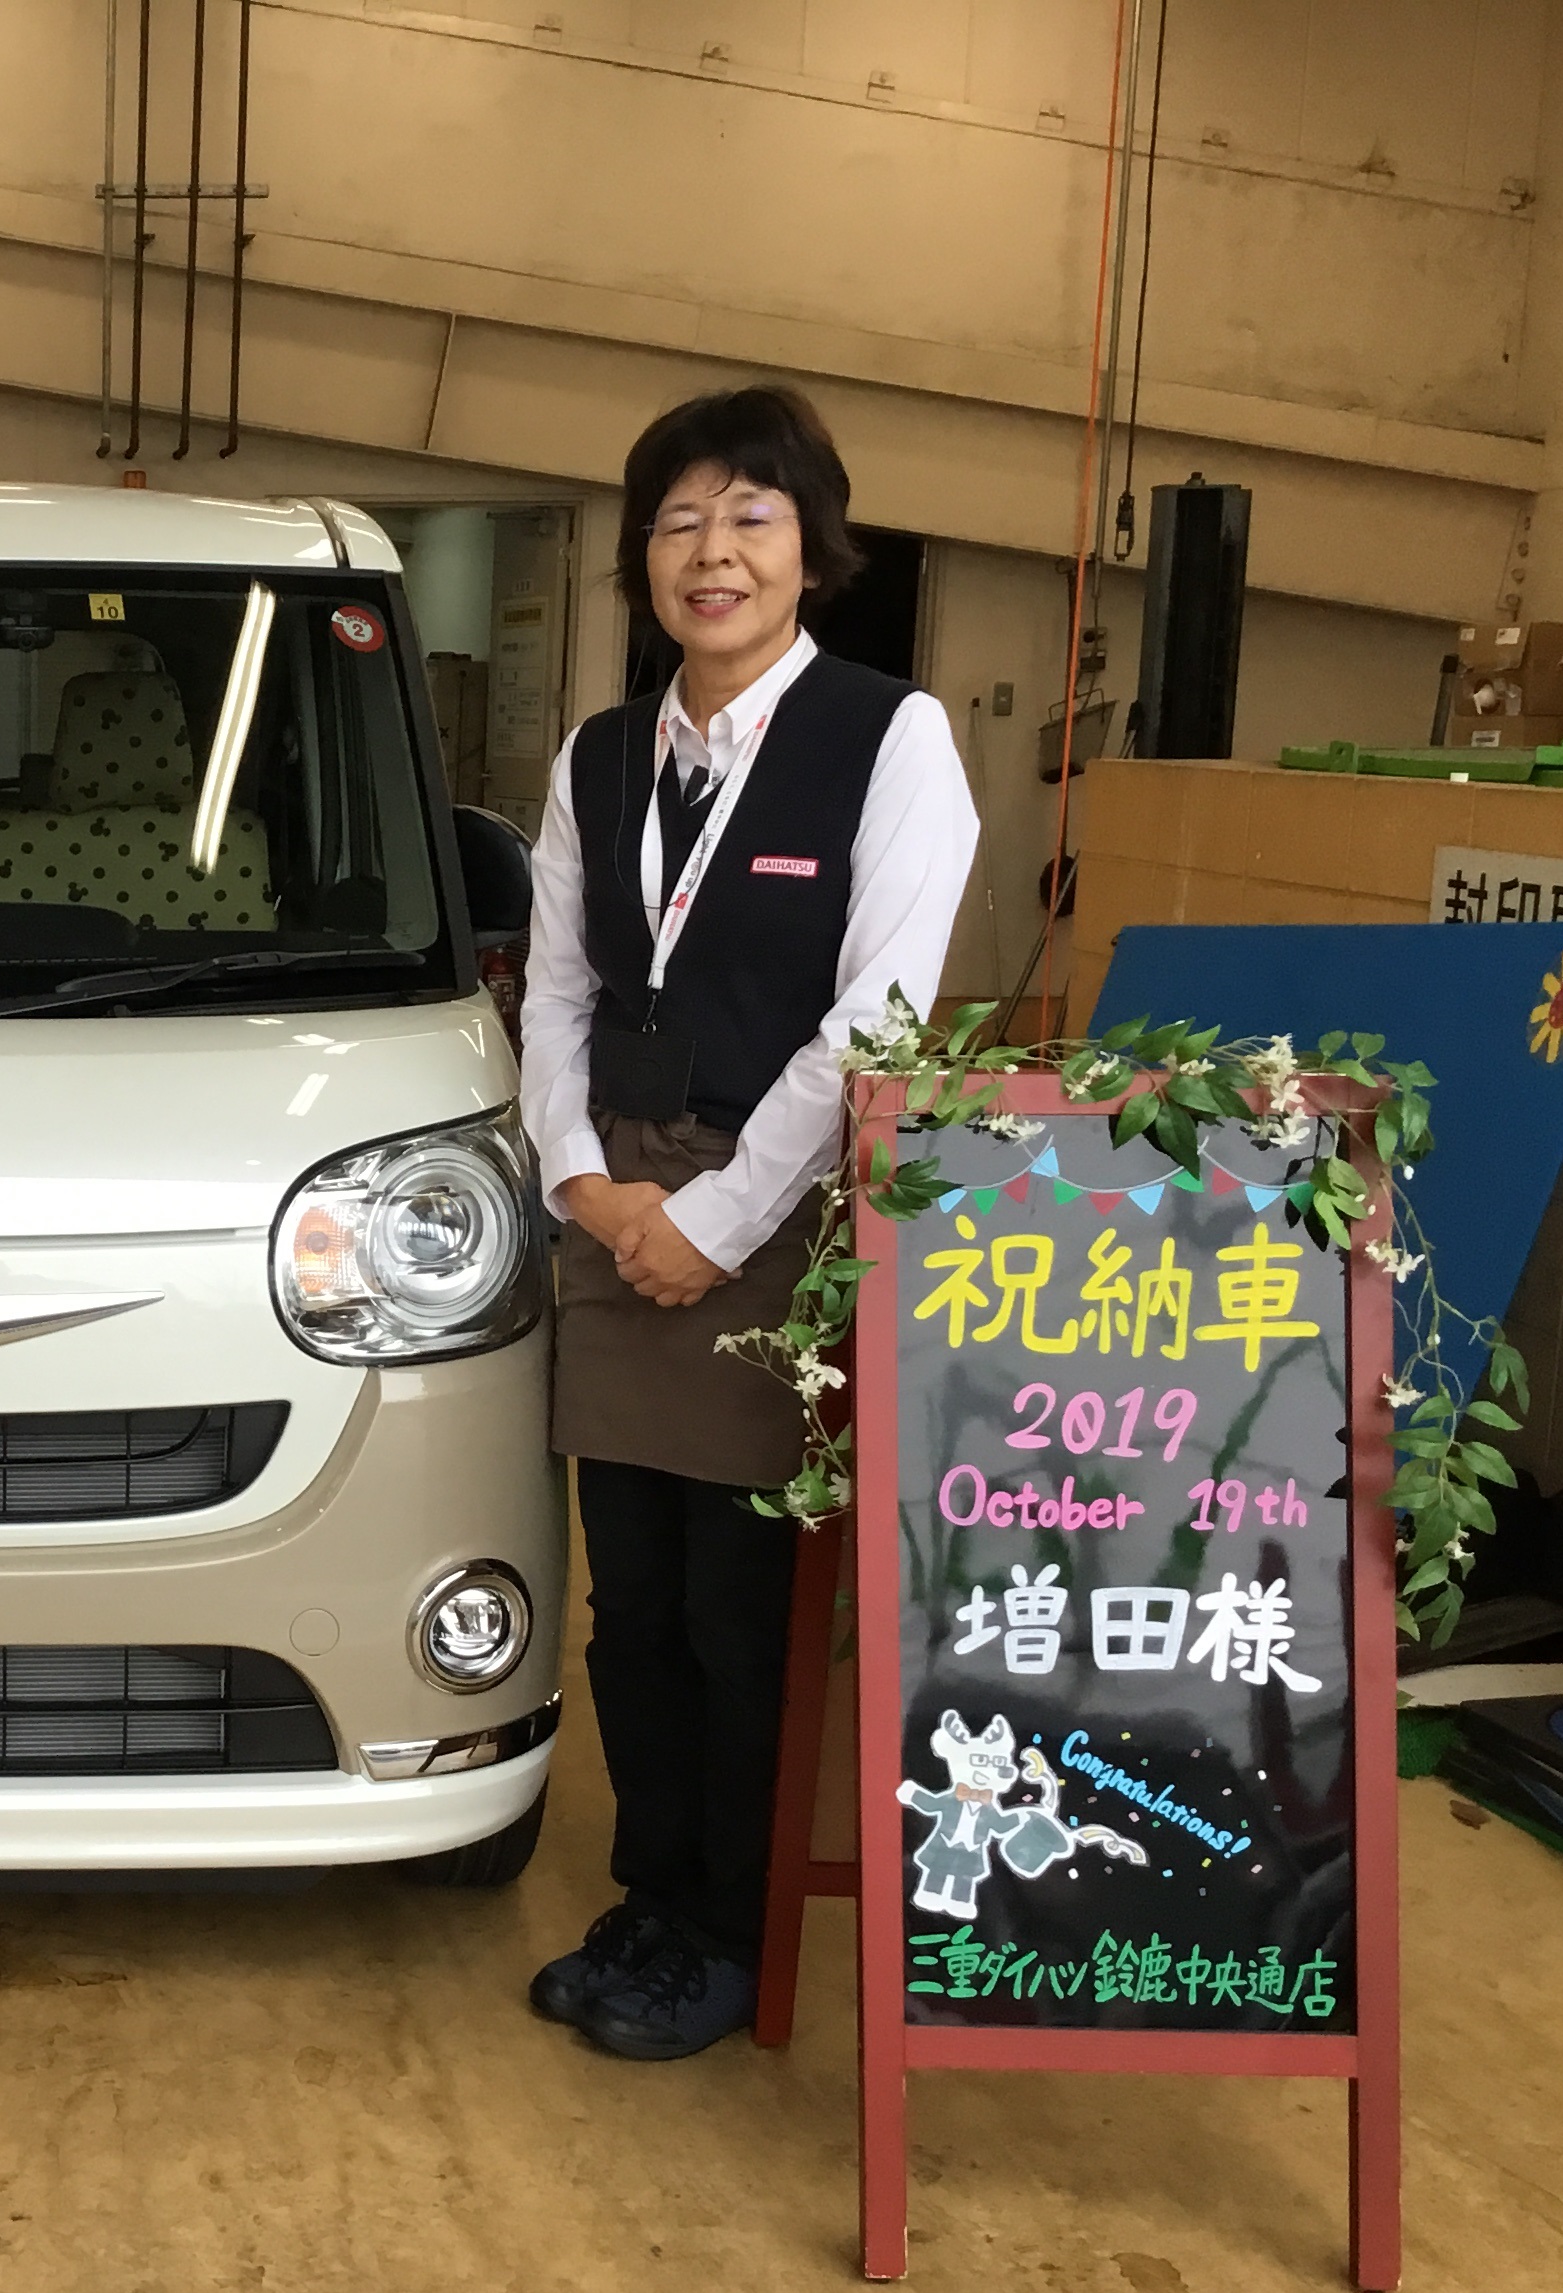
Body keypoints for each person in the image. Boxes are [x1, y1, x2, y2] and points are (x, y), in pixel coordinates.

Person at [515, 386, 977, 2059]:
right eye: (680, 521)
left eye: (751, 518)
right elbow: (553, 991)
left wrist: (713, 1220)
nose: (713, 553)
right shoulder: (601, 755)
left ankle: (730, 1928)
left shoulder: (889, 736)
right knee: (628, 1596)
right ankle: (654, 1897)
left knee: (740, 1604)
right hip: (615, 1210)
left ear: (812, 547)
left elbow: (879, 1019)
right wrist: (581, 1178)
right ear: (644, 556)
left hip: (776, 1215)